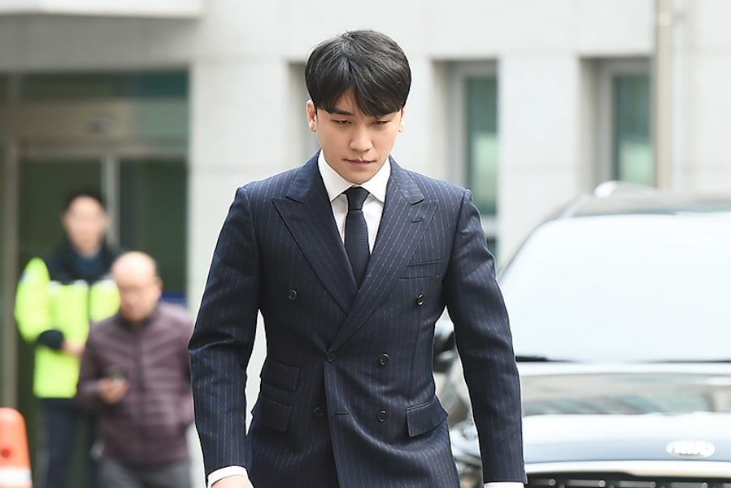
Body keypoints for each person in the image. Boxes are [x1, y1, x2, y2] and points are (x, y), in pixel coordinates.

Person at [190, 29, 526, 488]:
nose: (362, 143)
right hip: (290, 462)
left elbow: (488, 352)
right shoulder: (261, 208)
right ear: (313, 115)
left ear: (402, 118)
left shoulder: (446, 211)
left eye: (379, 122)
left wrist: (505, 479)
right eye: (343, 122)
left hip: (411, 464)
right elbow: (219, 347)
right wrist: (227, 470)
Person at [15, 189, 121, 487]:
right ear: (66, 220)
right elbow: (29, 316)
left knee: (104, 464)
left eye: (92, 217)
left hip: (105, 382)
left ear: (105, 221)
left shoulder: (118, 265)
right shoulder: (44, 266)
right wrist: (64, 344)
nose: (85, 225)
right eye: (78, 217)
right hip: (58, 384)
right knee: (56, 462)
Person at [77, 251, 194, 488]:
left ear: (156, 287)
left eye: (137, 289)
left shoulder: (181, 328)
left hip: (171, 458)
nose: (131, 299)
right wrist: (101, 391)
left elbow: (202, 385)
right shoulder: (100, 334)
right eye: (123, 290)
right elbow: (82, 391)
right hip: (117, 460)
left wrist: (180, 416)